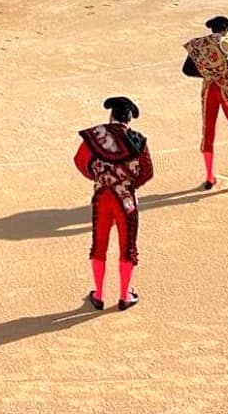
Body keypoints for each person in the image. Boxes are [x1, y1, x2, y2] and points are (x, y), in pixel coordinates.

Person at [74, 96, 153, 311]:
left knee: (99, 244)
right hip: (125, 200)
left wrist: (98, 178)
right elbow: (147, 171)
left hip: (102, 197)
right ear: (129, 119)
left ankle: (99, 295)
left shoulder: (96, 135)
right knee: (127, 246)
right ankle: (125, 296)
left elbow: (80, 161)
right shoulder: (137, 140)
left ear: (111, 116)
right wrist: (130, 185)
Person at [182, 16, 228, 189]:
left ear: (212, 29)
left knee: (208, 132)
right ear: (226, 29)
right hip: (226, 90)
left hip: (208, 91)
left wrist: (208, 75)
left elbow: (187, 70)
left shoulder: (198, 44)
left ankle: (209, 177)